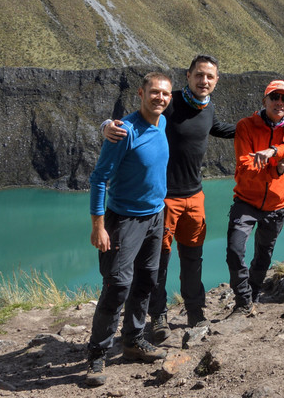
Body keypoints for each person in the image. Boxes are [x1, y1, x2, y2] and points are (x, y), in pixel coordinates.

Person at [102, 55, 235, 340]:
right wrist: (105, 126)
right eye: (199, 75)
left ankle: (195, 312)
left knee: (192, 257)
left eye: (209, 77)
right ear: (187, 76)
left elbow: (221, 129)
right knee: (157, 263)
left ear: (216, 81)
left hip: (195, 196)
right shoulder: (168, 101)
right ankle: (158, 315)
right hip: (163, 200)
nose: (204, 81)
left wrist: (264, 125)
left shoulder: (207, 108)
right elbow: (131, 121)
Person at [84, 72, 173, 388]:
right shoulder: (123, 132)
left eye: (165, 93)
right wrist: (98, 226)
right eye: (154, 92)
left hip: (155, 216)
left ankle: (134, 340)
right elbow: (98, 179)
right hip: (123, 220)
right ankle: (97, 354)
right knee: (118, 285)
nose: (159, 98)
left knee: (147, 279)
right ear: (141, 93)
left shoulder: (161, 122)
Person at [225, 80, 284, 315]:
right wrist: (277, 168)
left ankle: (253, 292)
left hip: (276, 204)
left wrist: (272, 152)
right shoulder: (246, 126)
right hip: (246, 201)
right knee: (234, 249)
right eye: (274, 97)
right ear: (265, 100)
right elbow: (245, 166)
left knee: (263, 255)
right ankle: (243, 300)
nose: (279, 102)